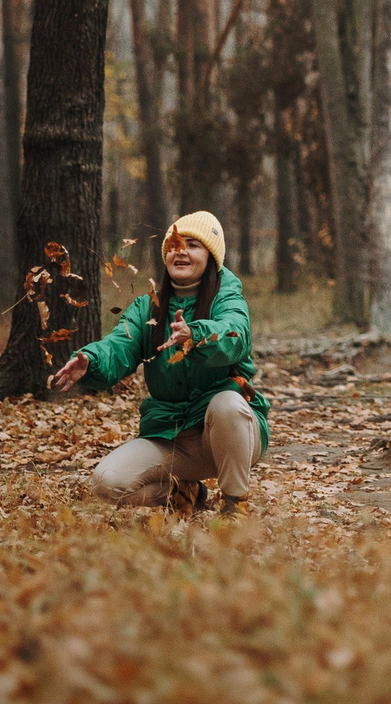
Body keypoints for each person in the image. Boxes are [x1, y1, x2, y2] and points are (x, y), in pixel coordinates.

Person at [56, 210, 270, 512]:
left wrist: (196, 335)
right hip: (172, 436)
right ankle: (183, 493)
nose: (180, 250)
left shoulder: (227, 297)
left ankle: (235, 504)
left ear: (211, 256)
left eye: (193, 245)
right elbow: (119, 345)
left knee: (228, 403)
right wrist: (91, 360)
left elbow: (235, 335)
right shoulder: (148, 307)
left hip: (229, 436)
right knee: (106, 483)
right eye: (174, 244)